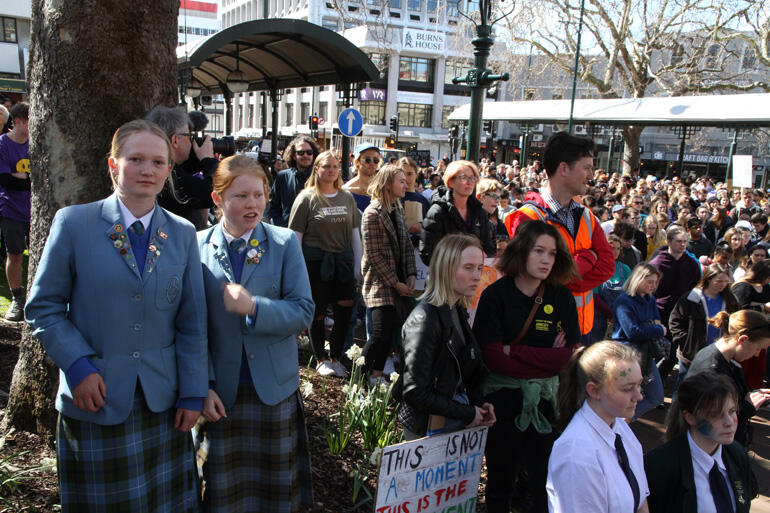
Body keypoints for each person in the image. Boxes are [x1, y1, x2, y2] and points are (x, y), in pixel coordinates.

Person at [25, 120, 208, 512]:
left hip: (163, 402)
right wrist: (77, 366)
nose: (148, 170)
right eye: (136, 159)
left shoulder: (181, 233)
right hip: (96, 395)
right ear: (113, 164)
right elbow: (44, 306)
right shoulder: (74, 223)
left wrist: (194, 390)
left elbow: (192, 322)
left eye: (159, 162)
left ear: (168, 169)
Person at [197, 154, 314, 512]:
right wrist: (200, 385)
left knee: (274, 492)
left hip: (272, 390)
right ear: (218, 199)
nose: (253, 204)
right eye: (241, 196)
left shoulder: (283, 243)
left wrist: (255, 307)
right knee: (221, 491)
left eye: (259, 195)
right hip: (220, 393)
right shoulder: (195, 246)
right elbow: (189, 326)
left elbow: (303, 311)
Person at [472, 220, 580, 513]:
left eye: (552, 254)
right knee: (500, 483)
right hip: (503, 405)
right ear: (521, 251)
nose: (546, 260)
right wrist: (544, 359)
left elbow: (567, 354)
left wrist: (515, 351)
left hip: (546, 403)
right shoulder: (495, 296)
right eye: (539, 251)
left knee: (542, 484)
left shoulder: (561, 296)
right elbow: (493, 357)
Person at [505, 131, 615, 339]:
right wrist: (588, 257)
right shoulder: (527, 216)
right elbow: (540, 277)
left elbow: (608, 266)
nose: (592, 176)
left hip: (582, 330)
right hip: (542, 332)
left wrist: (563, 273)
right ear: (564, 168)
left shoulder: (587, 216)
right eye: (587, 168)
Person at [398, 234, 496, 440]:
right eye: (468, 268)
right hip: (429, 426)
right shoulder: (425, 319)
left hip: (451, 416)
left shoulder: (457, 309)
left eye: (479, 268)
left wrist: (478, 404)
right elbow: (415, 392)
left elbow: (464, 369)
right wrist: (467, 412)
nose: (477, 276)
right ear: (446, 268)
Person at [547, 341, 649, 513]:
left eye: (639, 384)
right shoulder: (577, 454)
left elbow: (640, 501)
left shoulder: (620, 429)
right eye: (627, 389)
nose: (638, 396)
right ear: (594, 391)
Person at [288, 151, 361, 378]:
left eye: (334, 167)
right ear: (317, 169)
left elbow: (354, 234)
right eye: (326, 166)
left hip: (343, 263)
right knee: (317, 313)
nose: (331, 171)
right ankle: (320, 358)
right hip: (315, 264)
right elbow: (295, 236)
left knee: (344, 312)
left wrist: (358, 266)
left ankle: (336, 357)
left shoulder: (347, 198)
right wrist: (297, 269)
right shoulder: (306, 198)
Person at [645, 372, 758, 513]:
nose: (729, 422)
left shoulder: (736, 454)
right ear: (690, 417)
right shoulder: (660, 465)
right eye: (716, 415)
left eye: (732, 411)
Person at [360, 164, 416, 386]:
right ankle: (358, 377)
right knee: (380, 332)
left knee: (390, 331)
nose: (406, 184)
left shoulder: (398, 208)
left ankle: (375, 376)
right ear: (388, 184)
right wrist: (395, 283)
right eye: (401, 181)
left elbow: (407, 246)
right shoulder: (373, 213)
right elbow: (374, 255)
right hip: (379, 282)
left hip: (400, 279)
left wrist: (411, 274)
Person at [688, 310, 770, 448]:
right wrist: (747, 408)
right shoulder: (712, 370)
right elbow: (711, 419)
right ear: (742, 339)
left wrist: (753, 398)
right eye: (758, 348)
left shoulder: (728, 361)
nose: (757, 355)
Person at [146, 105, 216, 230]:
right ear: (175, 140)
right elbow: (212, 194)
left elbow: (186, 174)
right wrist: (208, 160)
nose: (192, 143)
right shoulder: (167, 175)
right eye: (190, 137)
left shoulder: (157, 169)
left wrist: (199, 160)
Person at [670, 265, 739, 392]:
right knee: (684, 387)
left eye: (725, 281)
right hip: (691, 353)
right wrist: (686, 342)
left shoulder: (730, 300)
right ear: (708, 279)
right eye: (718, 281)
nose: (722, 285)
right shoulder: (692, 298)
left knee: (709, 389)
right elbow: (675, 321)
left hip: (718, 352)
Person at [612, 263, 667, 419]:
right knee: (623, 395)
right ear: (638, 279)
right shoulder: (624, 301)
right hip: (627, 355)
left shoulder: (650, 300)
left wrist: (653, 329)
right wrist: (658, 330)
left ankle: (623, 421)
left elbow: (655, 322)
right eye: (649, 281)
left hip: (646, 355)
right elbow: (632, 332)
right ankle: (617, 423)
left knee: (656, 396)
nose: (653, 286)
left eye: (655, 282)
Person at [420, 160, 496, 264]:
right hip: (446, 277)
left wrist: (481, 255)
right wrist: (459, 257)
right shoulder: (438, 211)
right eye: (464, 177)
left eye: (473, 178)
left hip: (473, 276)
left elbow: (489, 248)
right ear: (451, 182)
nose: (470, 182)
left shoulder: (479, 212)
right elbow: (427, 253)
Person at [650, 225, 701, 379]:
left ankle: (658, 381)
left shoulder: (692, 264)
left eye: (685, 241)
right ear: (669, 241)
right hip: (661, 313)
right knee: (655, 352)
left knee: (672, 355)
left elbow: (694, 288)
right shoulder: (657, 263)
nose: (682, 245)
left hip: (681, 315)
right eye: (679, 241)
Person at [0, 102, 30, 321]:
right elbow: (5, 180)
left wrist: (22, 178)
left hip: (36, 211)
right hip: (12, 209)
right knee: (15, 254)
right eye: (29, 122)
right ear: (17, 121)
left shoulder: (36, 143)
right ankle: (17, 299)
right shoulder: (2, 145)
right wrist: (28, 180)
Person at [730, 259, 770, 389]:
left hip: (761, 335)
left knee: (757, 369)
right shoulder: (743, 286)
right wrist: (763, 308)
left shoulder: (765, 287)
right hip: (746, 336)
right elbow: (739, 310)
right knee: (743, 369)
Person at [266, 135, 319, 227]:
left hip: (313, 234)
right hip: (287, 231)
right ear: (294, 155)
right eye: (301, 152)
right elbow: (274, 206)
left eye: (309, 152)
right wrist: (281, 225)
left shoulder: (320, 177)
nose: (305, 155)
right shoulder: (282, 177)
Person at [343, 143, 381, 212]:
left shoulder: (382, 187)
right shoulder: (346, 189)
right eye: (367, 160)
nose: (372, 163)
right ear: (357, 162)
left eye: (375, 160)